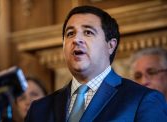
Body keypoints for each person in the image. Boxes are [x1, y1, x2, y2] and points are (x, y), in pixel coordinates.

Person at [25, 6, 167, 122]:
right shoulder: (39, 109)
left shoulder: (143, 100)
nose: (76, 39)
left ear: (110, 46)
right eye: (70, 34)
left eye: (88, 32)